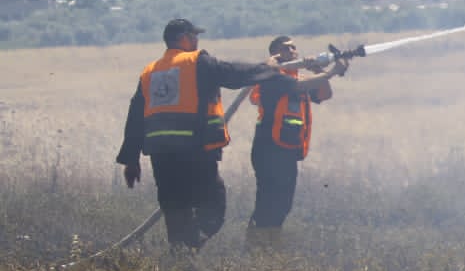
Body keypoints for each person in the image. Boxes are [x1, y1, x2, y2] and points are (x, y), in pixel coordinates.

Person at [117, 19, 283, 250]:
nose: (196, 41)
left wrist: (131, 160)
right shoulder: (196, 62)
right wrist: (267, 67)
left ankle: (178, 261)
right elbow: (232, 73)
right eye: (194, 36)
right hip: (194, 151)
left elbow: (135, 117)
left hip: (161, 155)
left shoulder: (150, 72)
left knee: (175, 209)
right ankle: (190, 245)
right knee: (213, 208)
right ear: (183, 37)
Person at [246, 35, 348, 237]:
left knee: (283, 204)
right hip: (269, 149)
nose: (293, 51)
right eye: (286, 48)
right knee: (268, 203)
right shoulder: (271, 76)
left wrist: (317, 70)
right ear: (275, 54)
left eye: (294, 48)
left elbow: (323, 94)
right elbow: (297, 87)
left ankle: (269, 247)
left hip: (287, 150)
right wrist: (333, 72)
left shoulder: (298, 79)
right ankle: (256, 246)